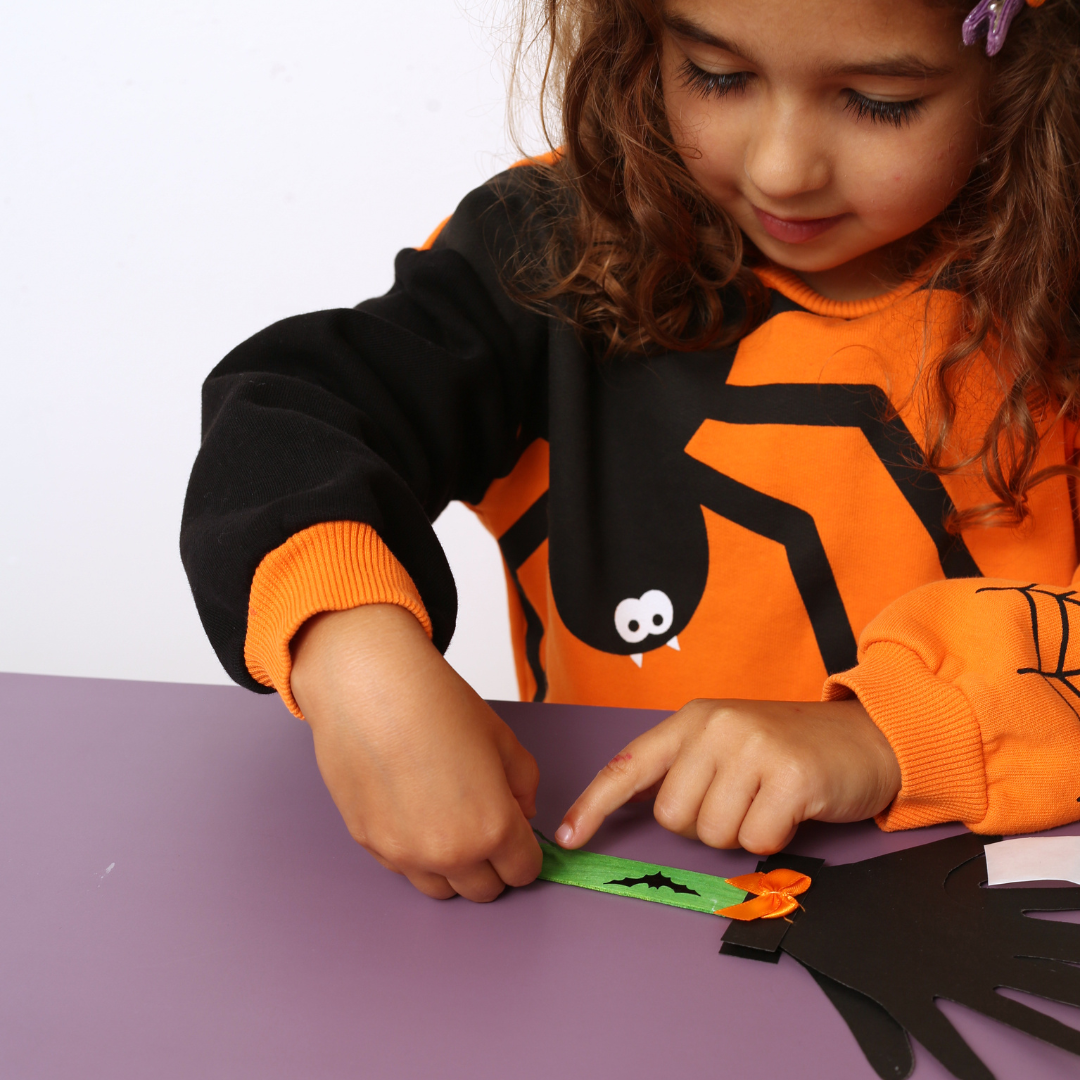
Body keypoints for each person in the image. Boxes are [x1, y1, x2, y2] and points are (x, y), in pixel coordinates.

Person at [181, 0, 1080, 904]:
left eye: (881, 101)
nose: (781, 168)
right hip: (625, 910)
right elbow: (286, 415)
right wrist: (348, 650)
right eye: (717, 76)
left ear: (1021, 67)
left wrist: (890, 736)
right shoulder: (543, 256)